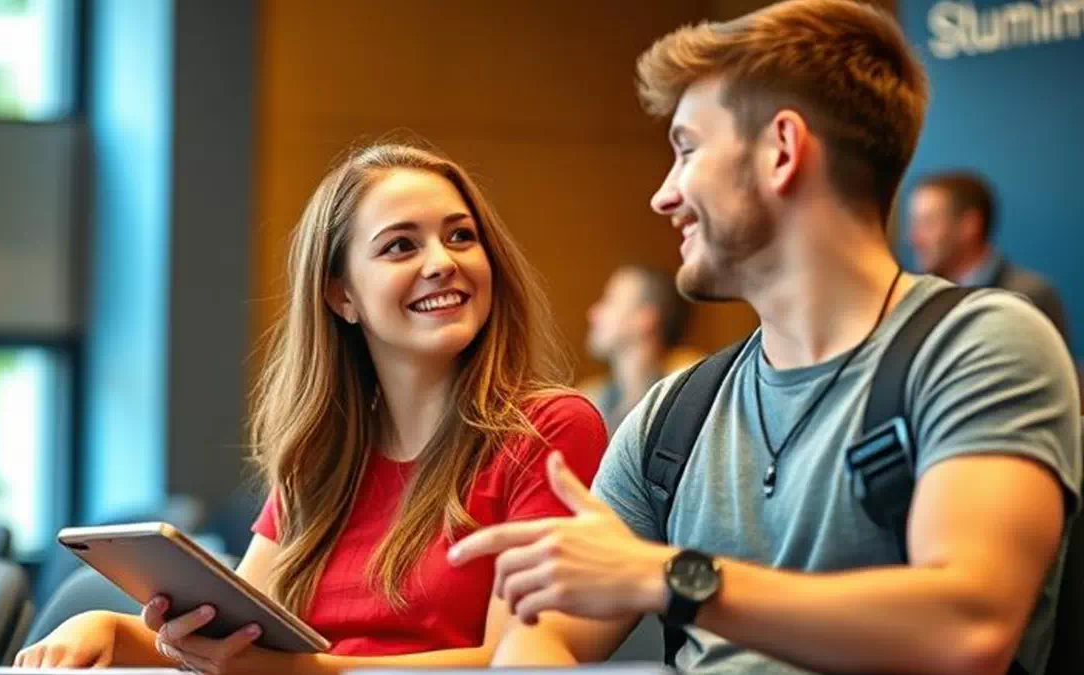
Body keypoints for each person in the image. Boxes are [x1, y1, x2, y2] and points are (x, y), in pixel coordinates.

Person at [448, 2, 1081, 674]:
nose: (664, 195)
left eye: (687, 148)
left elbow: (968, 627)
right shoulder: (672, 418)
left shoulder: (979, 346)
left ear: (782, 150)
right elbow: (540, 632)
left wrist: (675, 578)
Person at [16, 144, 607, 673]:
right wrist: (111, 629)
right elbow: (234, 644)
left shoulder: (550, 429)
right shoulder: (324, 457)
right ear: (341, 294)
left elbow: (513, 664)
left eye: (461, 236)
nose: (442, 262)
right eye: (401, 245)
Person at [908, 170, 1071, 347]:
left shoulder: (1028, 296)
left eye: (928, 223)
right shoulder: (921, 298)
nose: (914, 238)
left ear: (969, 225)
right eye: (915, 222)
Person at [581, 265, 701, 434]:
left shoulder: (692, 395)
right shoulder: (590, 401)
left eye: (609, 300)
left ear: (645, 318)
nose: (593, 313)